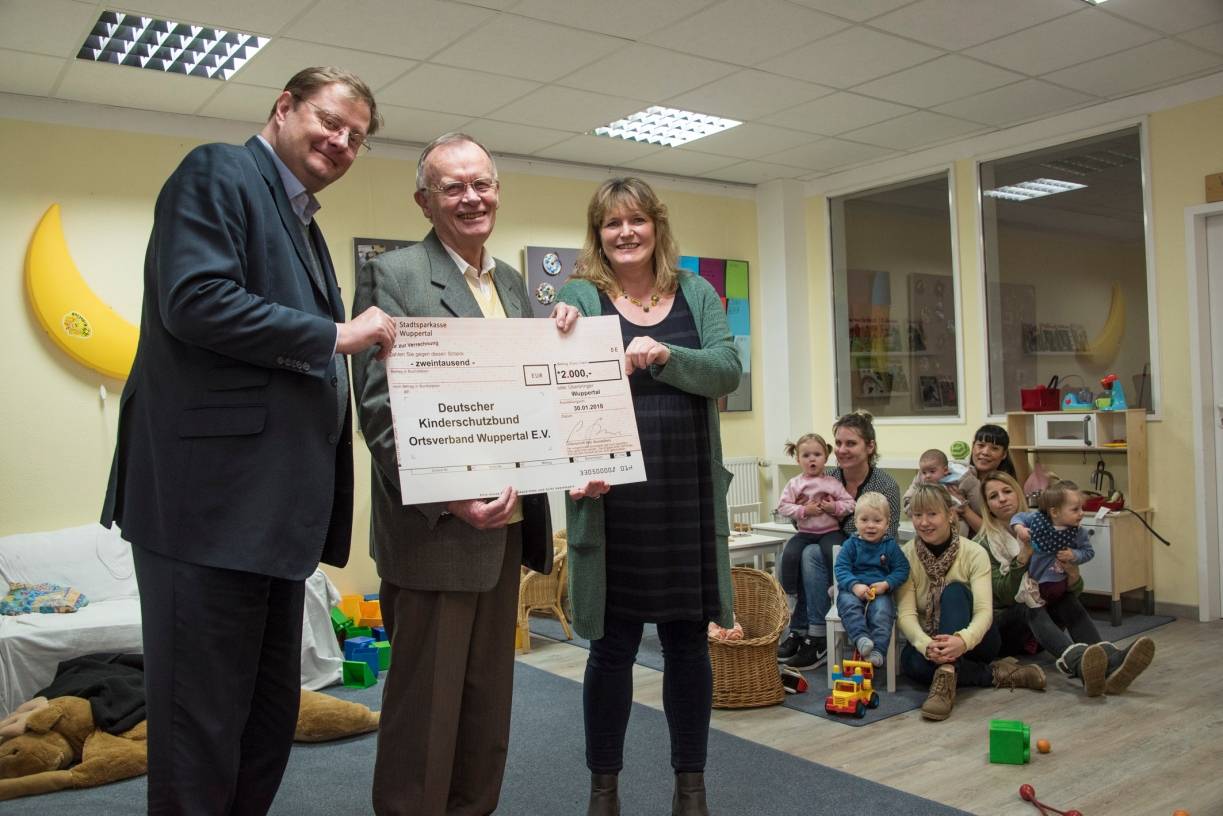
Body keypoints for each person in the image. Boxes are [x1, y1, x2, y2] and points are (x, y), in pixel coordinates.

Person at [100, 67, 397, 814]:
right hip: (207, 513)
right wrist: (335, 334)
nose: (341, 142)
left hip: (271, 521)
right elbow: (196, 300)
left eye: (356, 137)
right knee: (199, 734)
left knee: (264, 726)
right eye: (330, 121)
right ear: (284, 107)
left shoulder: (303, 223)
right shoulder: (218, 172)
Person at [351, 132, 579, 816]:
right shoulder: (393, 275)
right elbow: (379, 410)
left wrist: (564, 337)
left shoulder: (509, 281)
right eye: (453, 187)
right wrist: (449, 497)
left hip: (505, 528)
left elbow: (527, 394)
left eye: (482, 183)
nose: (471, 197)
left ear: (498, 191)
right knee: (425, 711)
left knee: (486, 705)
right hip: (435, 533)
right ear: (424, 201)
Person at [557, 177, 741, 816]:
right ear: (598, 234)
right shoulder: (580, 294)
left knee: (688, 647)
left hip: (686, 496)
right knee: (611, 650)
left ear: (657, 225)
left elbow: (726, 368)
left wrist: (666, 355)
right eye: (612, 223)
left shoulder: (697, 292)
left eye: (636, 219)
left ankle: (691, 790)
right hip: (614, 503)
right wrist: (557, 334)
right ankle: (603, 791)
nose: (626, 232)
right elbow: (559, 382)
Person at [976, 471, 1155, 696]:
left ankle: (1109, 660)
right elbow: (1004, 596)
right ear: (987, 505)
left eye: (1007, 491)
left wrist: (1072, 573)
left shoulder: (1046, 525)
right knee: (1027, 602)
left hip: (1042, 622)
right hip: (1007, 625)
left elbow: (1072, 590)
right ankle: (1080, 664)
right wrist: (1022, 558)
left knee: (1066, 599)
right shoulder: (982, 545)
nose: (1002, 499)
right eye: (993, 496)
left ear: (1018, 493)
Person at [896, 483, 1047, 721]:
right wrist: (926, 644)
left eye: (932, 514)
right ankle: (997, 674)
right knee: (912, 665)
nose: (924, 522)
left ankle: (946, 674)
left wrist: (962, 641)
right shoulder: (905, 556)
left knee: (954, 591)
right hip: (932, 639)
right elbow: (906, 614)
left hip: (978, 641)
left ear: (950, 514)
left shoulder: (974, 552)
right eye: (917, 515)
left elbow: (984, 612)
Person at [783, 410, 901, 672]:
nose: (842, 450)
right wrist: (804, 510)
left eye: (851, 443)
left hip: (866, 561)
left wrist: (835, 519)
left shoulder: (885, 485)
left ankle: (817, 636)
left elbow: (888, 535)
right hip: (829, 552)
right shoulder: (826, 477)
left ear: (869, 446)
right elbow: (799, 522)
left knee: (812, 553)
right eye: (838, 443)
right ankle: (800, 630)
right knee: (800, 550)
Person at [774, 433, 856, 666]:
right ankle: (790, 594)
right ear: (798, 459)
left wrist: (834, 507)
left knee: (833, 552)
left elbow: (850, 504)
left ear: (826, 457)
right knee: (789, 555)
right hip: (806, 532)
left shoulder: (832, 483)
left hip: (829, 531)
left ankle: (833, 587)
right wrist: (803, 511)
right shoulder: (795, 483)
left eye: (817, 455)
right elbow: (782, 506)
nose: (812, 459)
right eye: (806, 455)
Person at [832, 492, 909, 668]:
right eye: (864, 520)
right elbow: (841, 568)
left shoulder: (890, 546)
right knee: (848, 606)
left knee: (883, 612)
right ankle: (861, 638)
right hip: (853, 591)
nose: (870, 526)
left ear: (887, 523)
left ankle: (878, 651)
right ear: (856, 522)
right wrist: (855, 586)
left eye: (877, 520)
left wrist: (886, 584)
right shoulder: (851, 545)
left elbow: (902, 569)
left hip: (879, 592)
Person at [1012, 480, 1095, 605]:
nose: (1081, 513)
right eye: (1075, 509)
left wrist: (1074, 554)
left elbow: (1089, 552)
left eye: (1082, 508)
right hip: (1031, 578)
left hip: (1057, 580)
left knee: (1059, 601)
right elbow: (1017, 517)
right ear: (1055, 512)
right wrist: (1020, 528)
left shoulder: (1079, 532)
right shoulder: (1037, 519)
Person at [959, 424, 1016, 535]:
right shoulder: (960, 476)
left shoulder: (1005, 487)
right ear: (973, 447)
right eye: (980, 445)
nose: (985, 452)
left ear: (1004, 454)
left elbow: (1000, 535)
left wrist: (965, 510)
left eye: (994, 448)